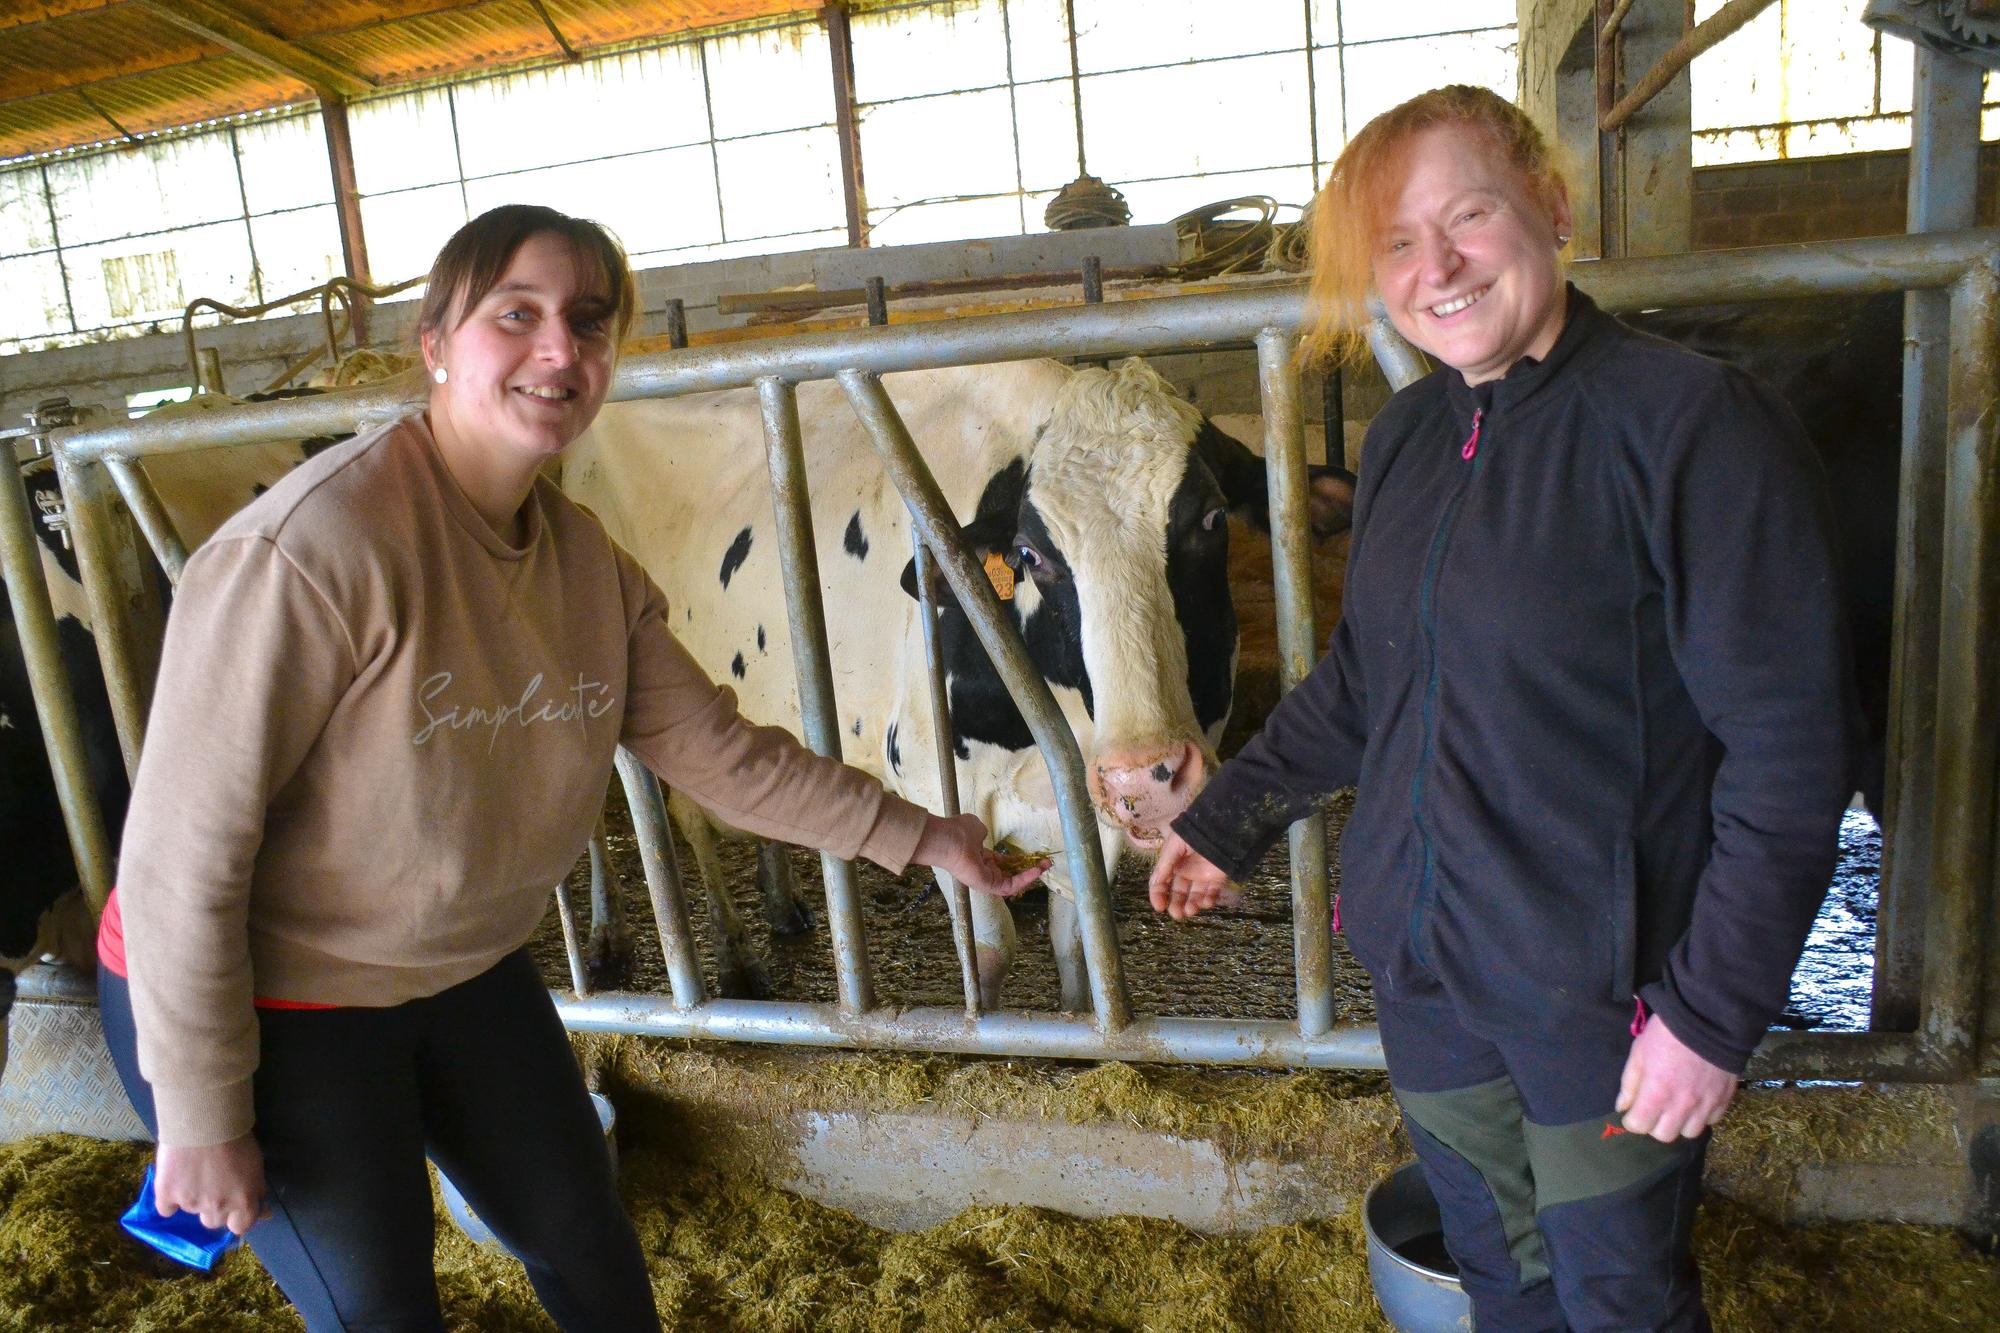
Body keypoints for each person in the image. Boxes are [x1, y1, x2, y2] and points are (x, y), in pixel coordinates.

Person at [96, 203, 1044, 1332]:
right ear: (436, 343)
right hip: (278, 997)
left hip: (461, 970)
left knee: (591, 1253)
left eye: (588, 323)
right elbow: (177, 860)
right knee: (383, 1310)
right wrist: (202, 1112)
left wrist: (922, 835)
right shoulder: (308, 554)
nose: (560, 349)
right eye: (517, 315)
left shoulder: (580, 559)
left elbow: (722, 755)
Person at [1148, 86, 1855, 1331]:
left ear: (1551, 208)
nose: (1436, 269)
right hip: (1427, 977)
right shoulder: (1414, 435)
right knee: (1499, 1281)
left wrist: (1707, 1014)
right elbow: (1370, 676)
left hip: (1595, 1000)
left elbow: (1791, 750)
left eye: (1465, 217)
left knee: (1616, 1299)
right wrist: (1227, 820)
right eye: (1398, 246)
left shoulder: (1687, 425)